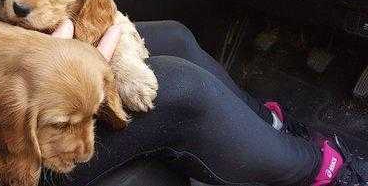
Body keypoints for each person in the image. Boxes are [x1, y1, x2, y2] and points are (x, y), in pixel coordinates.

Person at [46, 20, 368, 186]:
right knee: (177, 90)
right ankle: (320, 172)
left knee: (174, 38)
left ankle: (270, 126)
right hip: (11, 156)